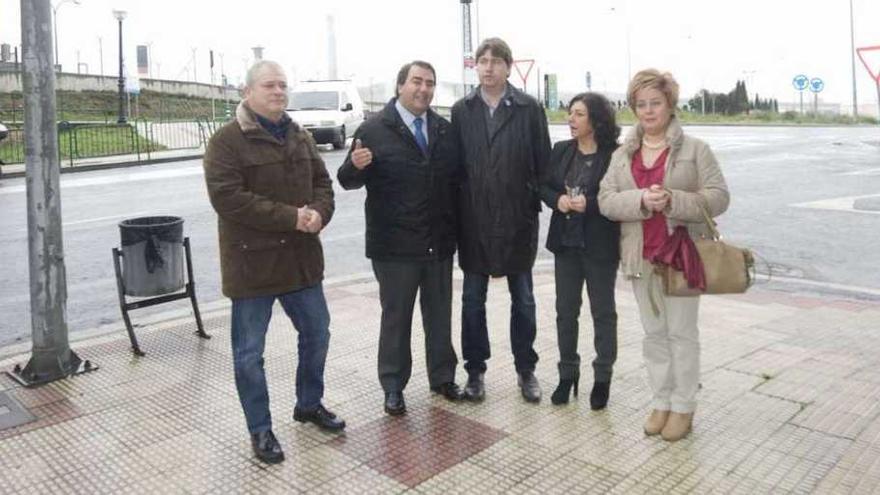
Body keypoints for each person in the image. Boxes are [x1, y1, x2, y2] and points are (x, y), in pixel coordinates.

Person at [203, 60, 345, 465]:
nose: (279, 92)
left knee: (317, 334)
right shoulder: (227, 142)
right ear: (248, 92)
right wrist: (292, 217)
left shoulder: (299, 136)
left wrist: (319, 212)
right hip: (253, 268)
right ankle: (260, 428)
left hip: (301, 263)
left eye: (283, 85)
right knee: (249, 354)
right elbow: (228, 198)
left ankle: (308, 404)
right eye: (270, 85)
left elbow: (323, 183)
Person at [598, 69, 730, 441]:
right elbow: (606, 200)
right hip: (640, 256)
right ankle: (661, 400)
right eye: (641, 104)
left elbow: (719, 196)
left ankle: (684, 406)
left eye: (656, 103)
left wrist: (675, 200)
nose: (648, 111)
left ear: (670, 104)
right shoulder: (624, 154)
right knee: (654, 335)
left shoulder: (695, 149)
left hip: (682, 254)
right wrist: (640, 199)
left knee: (681, 334)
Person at [338, 61, 464, 416]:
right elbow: (346, 179)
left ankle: (442, 378)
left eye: (429, 83)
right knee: (397, 318)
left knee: (439, 315)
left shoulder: (442, 129)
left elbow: (456, 181)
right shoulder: (374, 129)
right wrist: (356, 166)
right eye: (416, 82)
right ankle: (393, 386)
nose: (423, 89)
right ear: (400, 86)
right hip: (394, 247)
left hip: (437, 242)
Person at [452, 37, 551, 403]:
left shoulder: (528, 108)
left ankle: (526, 370)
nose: (489, 67)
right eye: (483, 61)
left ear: (509, 66)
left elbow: (542, 165)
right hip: (474, 221)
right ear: (475, 66)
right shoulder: (463, 110)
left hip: (517, 220)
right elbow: (455, 168)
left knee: (523, 299)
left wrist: (546, 201)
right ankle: (475, 372)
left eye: (496, 61)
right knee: (472, 301)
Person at [540, 93, 620, 409]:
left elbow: (622, 196)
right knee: (565, 312)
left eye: (578, 114)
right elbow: (543, 186)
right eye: (570, 113)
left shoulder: (616, 155)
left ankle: (602, 378)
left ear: (596, 120)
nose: (570, 120)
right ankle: (567, 374)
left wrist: (594, 204)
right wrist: (557, 200)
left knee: (603, 313)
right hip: (566, 245)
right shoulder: (561, 151)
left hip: (600, 246)